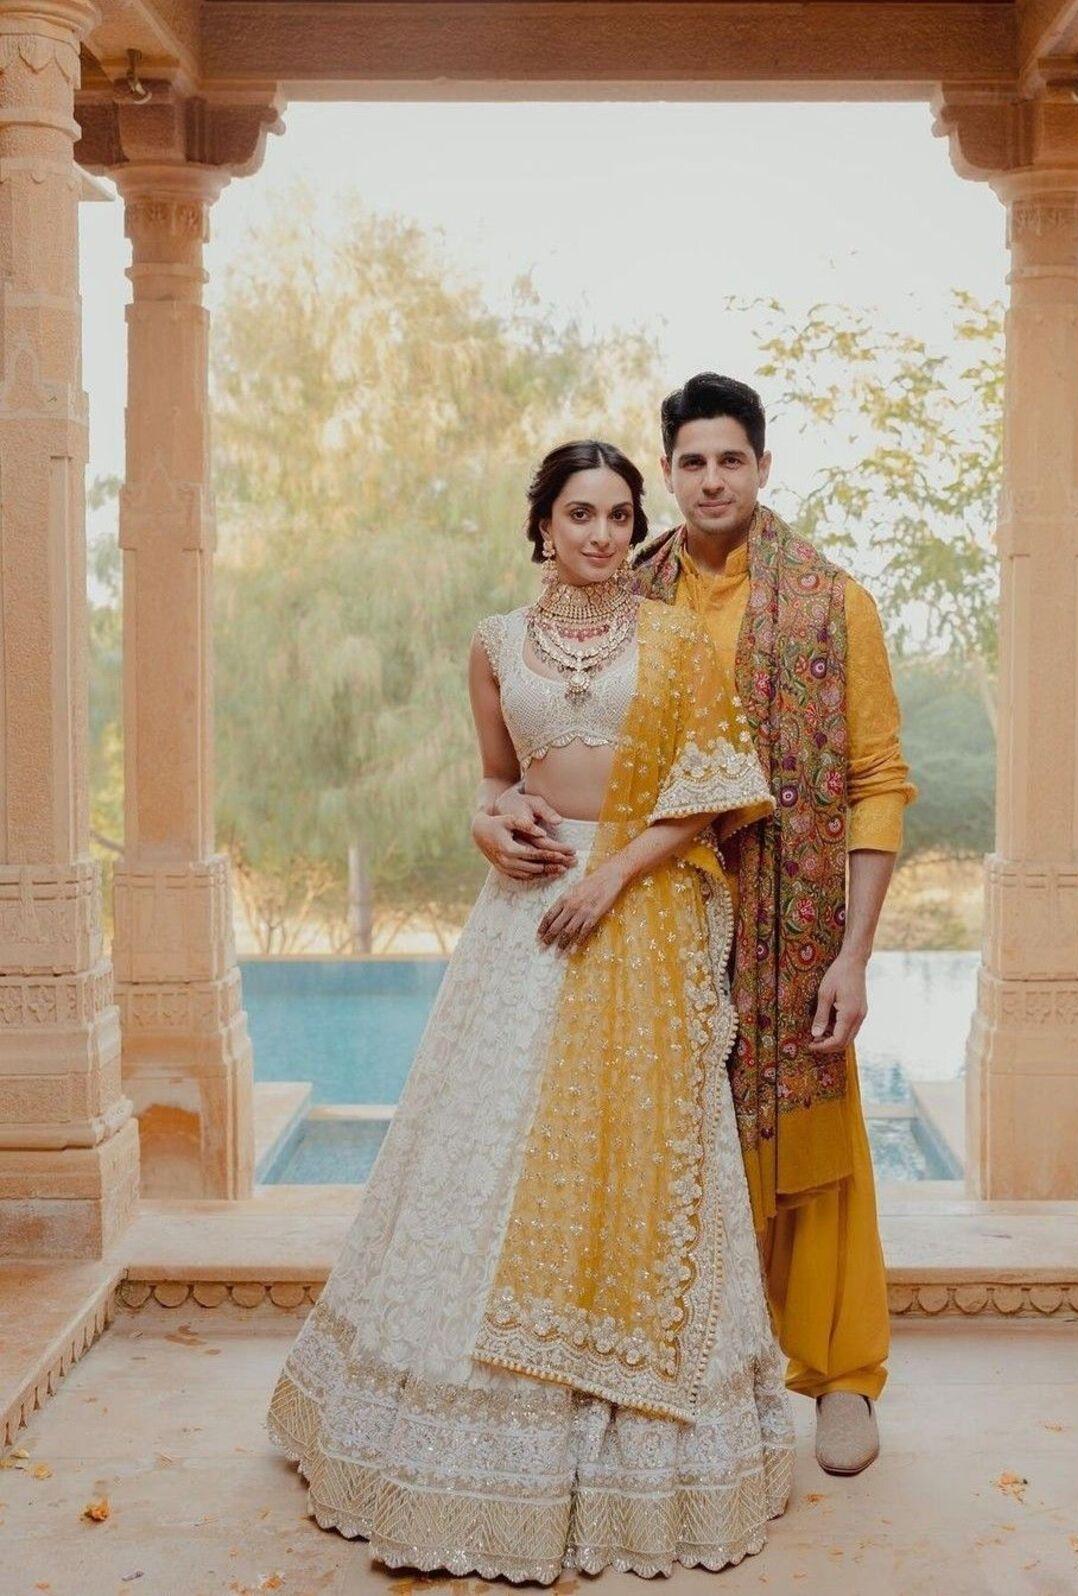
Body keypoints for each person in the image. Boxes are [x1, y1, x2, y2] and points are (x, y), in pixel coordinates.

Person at [265, 438, 794, 1583]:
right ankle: (451, 1454)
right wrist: (485, 826)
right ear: (540, 527)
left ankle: (630, 1458)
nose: (601, 535)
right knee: (484, 1157)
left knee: (632, 1165)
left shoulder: (675, 642)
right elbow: (493, 778)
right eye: (578, 515)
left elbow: (710, 796)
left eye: (616, 515)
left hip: (634, 912)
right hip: (522, 924)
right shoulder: (494, 643)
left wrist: (607, 877)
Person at [633, 373, 918, 1476]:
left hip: (794, 925)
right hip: (662, 919)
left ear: (762, 465)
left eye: (730, 459)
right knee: (667, 1142)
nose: (711, 479)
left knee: (815, 1140)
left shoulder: (829, 601)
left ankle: (841, 1376)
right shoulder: (627, 597)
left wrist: (850, 954)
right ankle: (688, 1376)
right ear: (667, 472)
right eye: (691, 461)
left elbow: (877, 780)